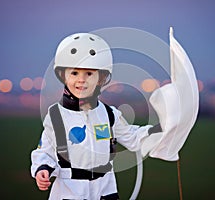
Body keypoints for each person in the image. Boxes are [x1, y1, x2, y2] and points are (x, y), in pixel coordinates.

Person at [30, 33, 159, 200]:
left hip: (105, 192)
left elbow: (134, 137)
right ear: (63, 75)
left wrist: (161, 131)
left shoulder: (109, 114)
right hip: (69, 193)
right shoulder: (56, 116)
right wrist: (42, 169)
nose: (81, 80)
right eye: (74, 73)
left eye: (89, 74)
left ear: (102, 78)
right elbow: (45, 152)